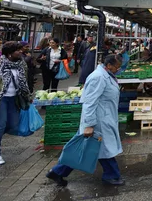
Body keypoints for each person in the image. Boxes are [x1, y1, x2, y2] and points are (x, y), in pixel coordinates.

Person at [46, 54, 125, 186]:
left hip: (104, 117)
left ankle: (57, 171)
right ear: (109, 65)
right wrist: (89, 124)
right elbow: (89, 102)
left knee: (85, 148)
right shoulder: (98, 77)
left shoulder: (106, 75)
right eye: (117, 67)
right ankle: (111, 175)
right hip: (98, 119)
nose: (118, 69)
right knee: (104, 148)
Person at [0, 42, 32, 165]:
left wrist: (27, 95)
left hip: (15, 98)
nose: (20, 52)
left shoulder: (22, 64)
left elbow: (25, 81)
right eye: (17, 50)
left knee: (13, 124)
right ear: (9, 54)